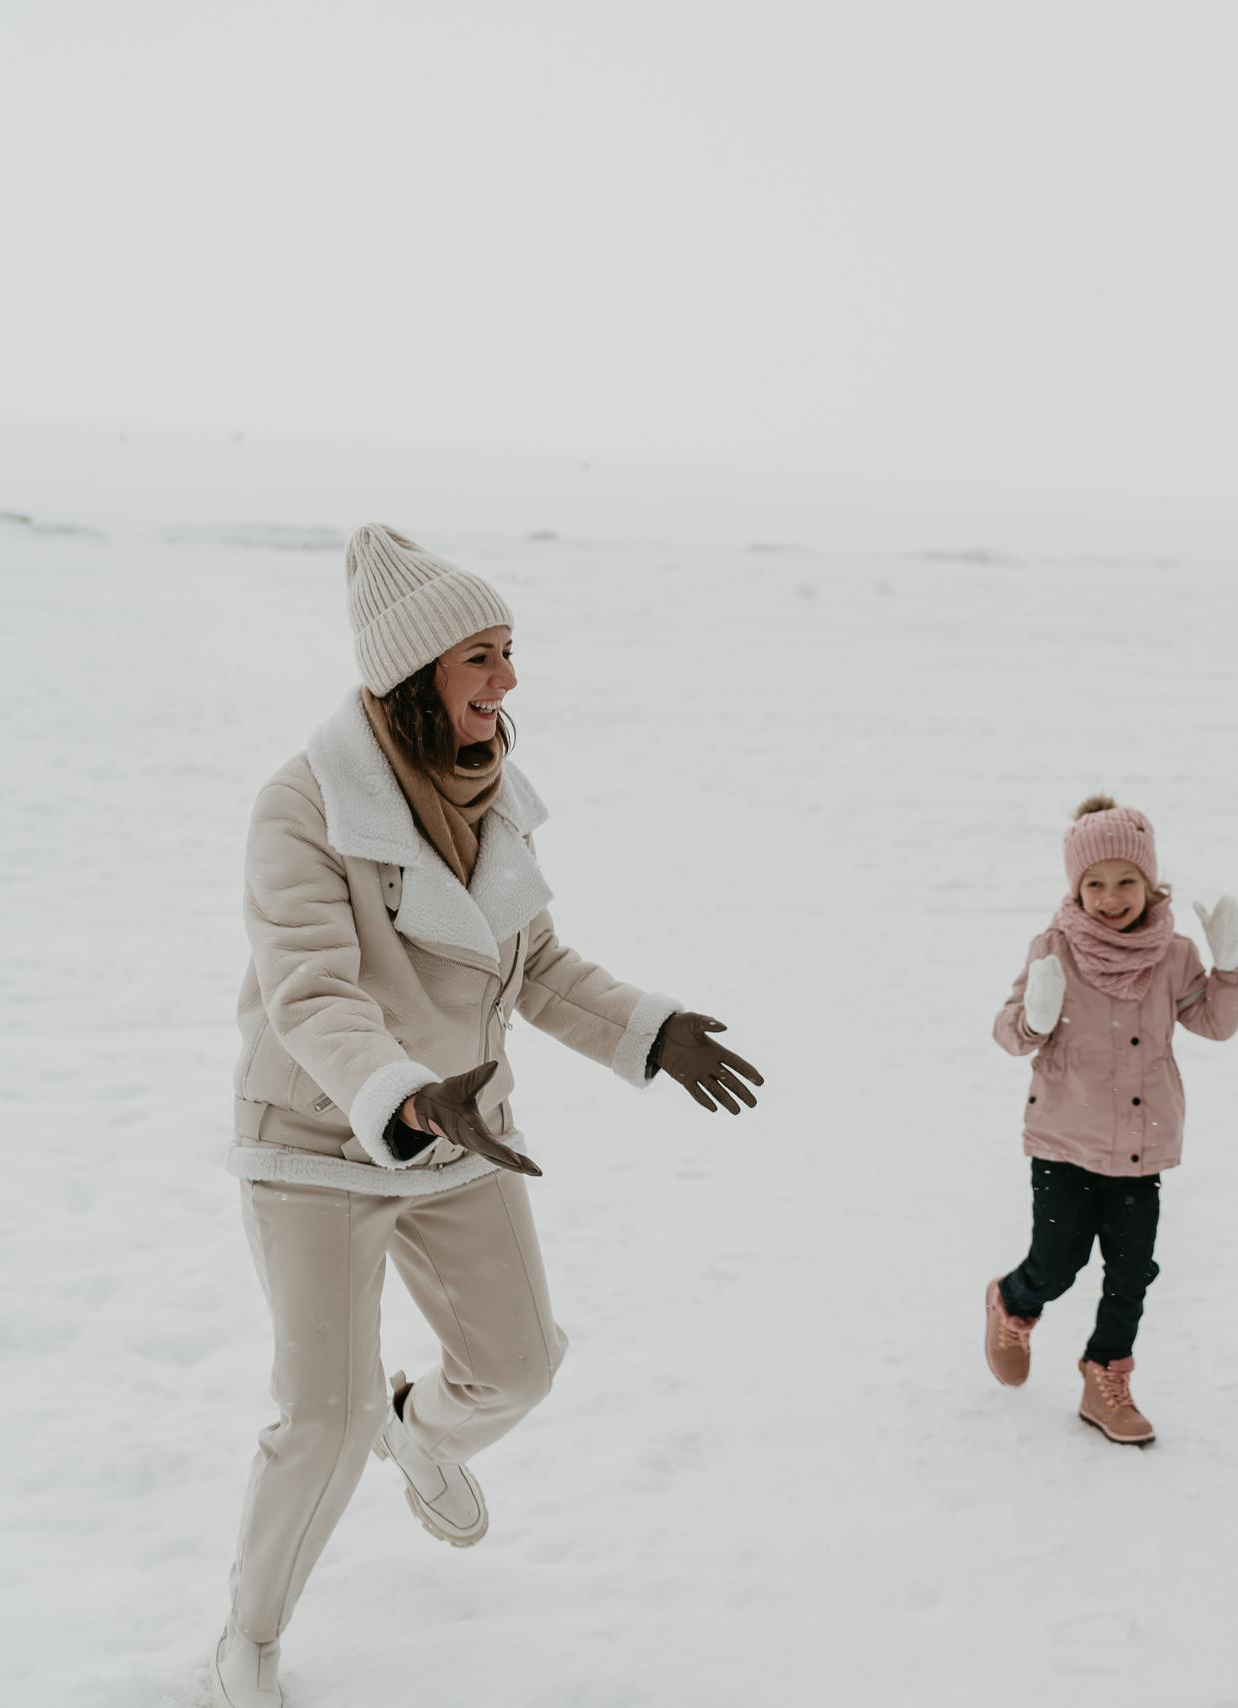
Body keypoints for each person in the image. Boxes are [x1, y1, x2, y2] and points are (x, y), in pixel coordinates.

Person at [210, 526, 765, 1708]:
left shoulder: (494, 790)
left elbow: (536, 963)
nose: (507, 683)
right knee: (323, 1414)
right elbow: (313, 991)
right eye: (482, 658)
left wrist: (645, 1029)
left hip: (465, 1128)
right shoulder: (300, 807)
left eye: (509, 652)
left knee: (517, 1367)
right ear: (415, 675)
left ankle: (422, 1433)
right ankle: (248, 1636)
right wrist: (401, 1092)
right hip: (319, 1134)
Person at [982, 795, 1238, 1445]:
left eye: (1125, 881)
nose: (1110, 896)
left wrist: (1229, 966)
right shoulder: (1054, 947)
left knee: (1131, 1273)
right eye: (1094, 884)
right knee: (1058, 1261)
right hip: (1064, 1139)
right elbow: (1008, 1035)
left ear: (1149, 882)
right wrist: (1034, 1019)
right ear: (1075, 888)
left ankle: (1105, 1373)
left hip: (1141, 1142)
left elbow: (1214, 1024)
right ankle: (1014, 1304)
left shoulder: (1175, 954)